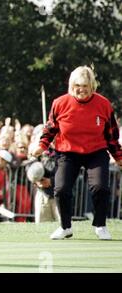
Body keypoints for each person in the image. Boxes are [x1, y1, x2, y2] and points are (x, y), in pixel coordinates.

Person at [31, 66, 122, 240]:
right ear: (72, 85)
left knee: (100, 187)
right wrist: (41, 145)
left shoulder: (103, 104)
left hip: (96, 151)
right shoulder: (60, 103)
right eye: (77, 85)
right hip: (67, 152)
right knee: (61, 188)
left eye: (85, 86)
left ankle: (100, 225)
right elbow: (50, 129)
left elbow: (111, 135)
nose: (81, 89)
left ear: (92, 86)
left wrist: (118, 156)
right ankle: (65, 227)